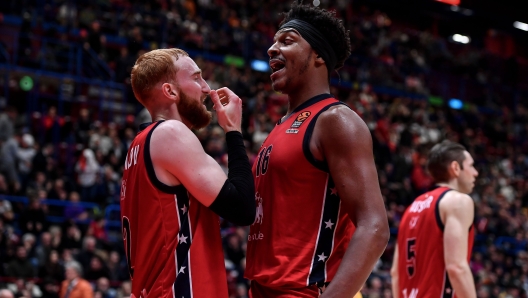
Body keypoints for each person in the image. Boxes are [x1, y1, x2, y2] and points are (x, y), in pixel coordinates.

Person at [244, 3, 390, 297]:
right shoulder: (280, 126)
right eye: (273, 41)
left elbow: (374, 227)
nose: (272, 49)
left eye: (286, 41)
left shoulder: (335, 120)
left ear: (319, 56)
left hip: (305, 291)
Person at [121, 48, 255, 298]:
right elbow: (243, 207)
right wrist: (233, 130)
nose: (207, 88)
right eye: (196, 78)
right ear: (170, 91)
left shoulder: (138, 146)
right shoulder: (170, 133)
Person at [390, 140, 478, 298]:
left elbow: (395, 272)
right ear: (456, 168)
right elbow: (456, 267)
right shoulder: (458, 202)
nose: (475, 172)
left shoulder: (410, 209)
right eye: (471, 165)